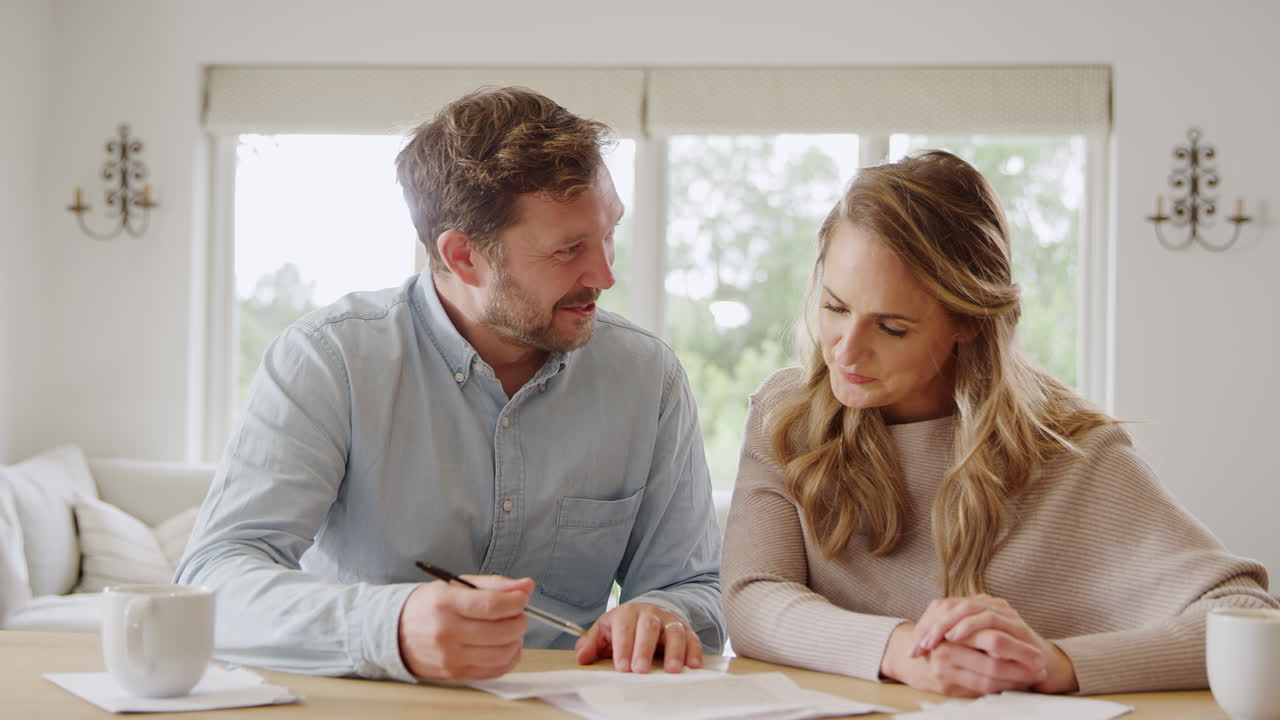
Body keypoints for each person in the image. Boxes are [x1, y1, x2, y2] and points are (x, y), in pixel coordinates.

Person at [176, 86, 724, 683]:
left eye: (608, 232)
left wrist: (665, 614)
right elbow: (213, 581)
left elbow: (694, 585)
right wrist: (390, 627)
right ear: (463, 255)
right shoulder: (329, 360)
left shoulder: (647, 377)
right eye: (569, 249)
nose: (606, 274)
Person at [721, 150, 1276, 696]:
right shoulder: (785, 415)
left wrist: (1058, 665)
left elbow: (1247, 613)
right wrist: (902, 651)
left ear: (967, 321)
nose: (846, 351)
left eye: (891, 328)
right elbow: (752, 597)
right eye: (835, 308)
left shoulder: (1071, 449)